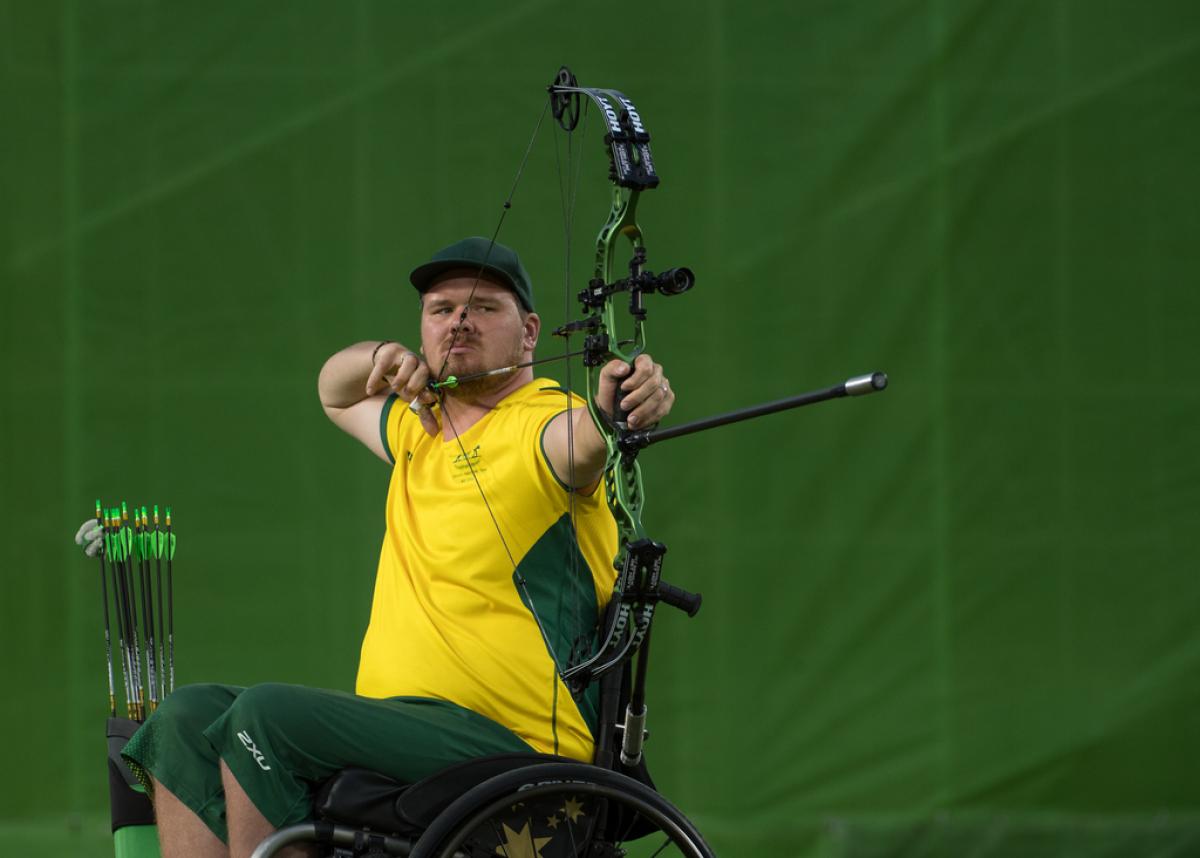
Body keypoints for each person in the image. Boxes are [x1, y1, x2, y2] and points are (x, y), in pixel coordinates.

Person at [78, 236, 676, 858]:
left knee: (264, 716)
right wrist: (380, 356)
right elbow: (334, 389)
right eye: (440, 310)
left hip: (511, 738)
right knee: (182, 718)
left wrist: (622, 407)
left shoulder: (544, 421)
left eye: (482, 307)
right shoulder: (419, 425)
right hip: (405, 727)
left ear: (529, 332)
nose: (458, 322)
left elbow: (585, 442)